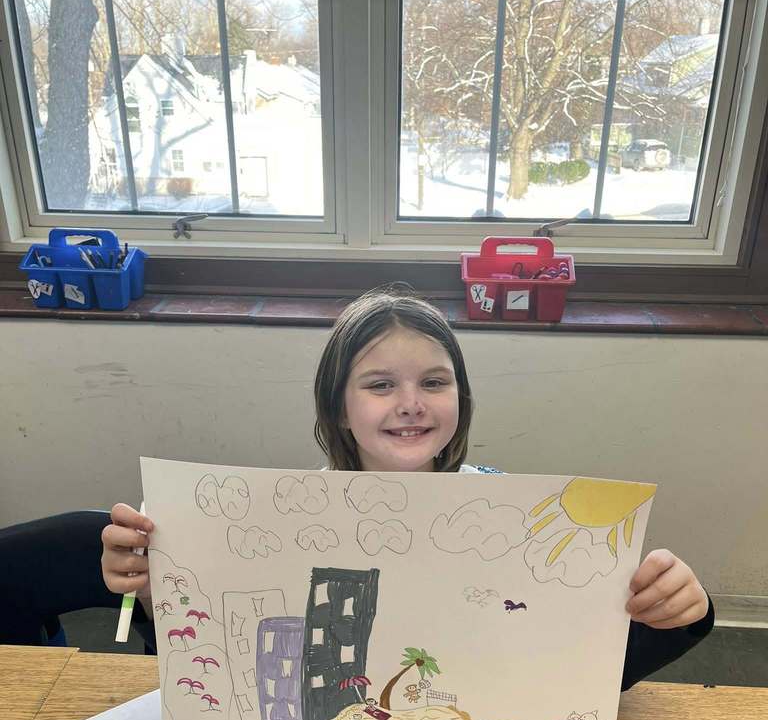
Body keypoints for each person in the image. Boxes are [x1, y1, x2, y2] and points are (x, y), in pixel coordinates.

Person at [101, 286, 714, 686]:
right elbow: (218, 663)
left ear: (461, 398)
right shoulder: (282, 525)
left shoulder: (519, 517)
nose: (411, 405)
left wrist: (679, 611)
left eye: (434, 382)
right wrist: (158, 590)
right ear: (338, 409)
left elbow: (584, 664)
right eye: (379, 385)